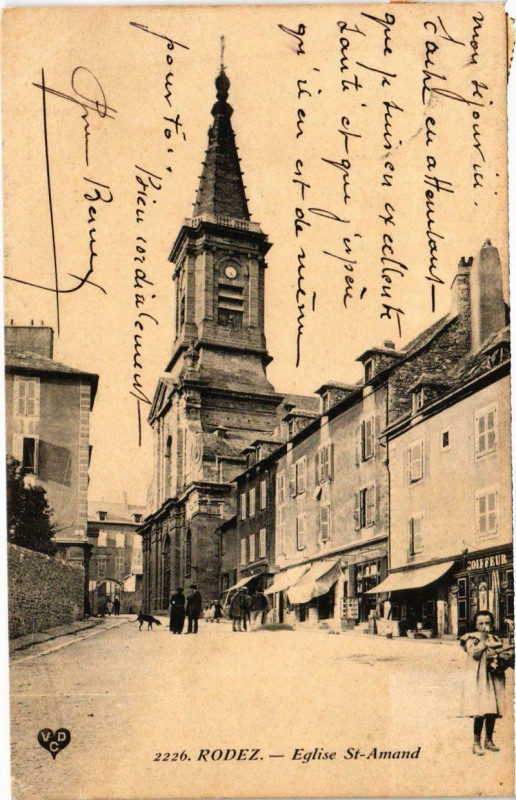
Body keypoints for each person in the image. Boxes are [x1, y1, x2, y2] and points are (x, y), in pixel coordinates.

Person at [460, 610, 507, 756]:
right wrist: (484, 641)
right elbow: (475, 654)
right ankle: (476, 743)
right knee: (480, 709)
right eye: (481, 623)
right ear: (475, 625)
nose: (484, 626)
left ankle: (489, 740)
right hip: (479, 678)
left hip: (494, 676)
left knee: (492, 709)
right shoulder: (470, 638)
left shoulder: (495, 638)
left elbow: (502, 654)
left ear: (492, 624)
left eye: (487, 623)